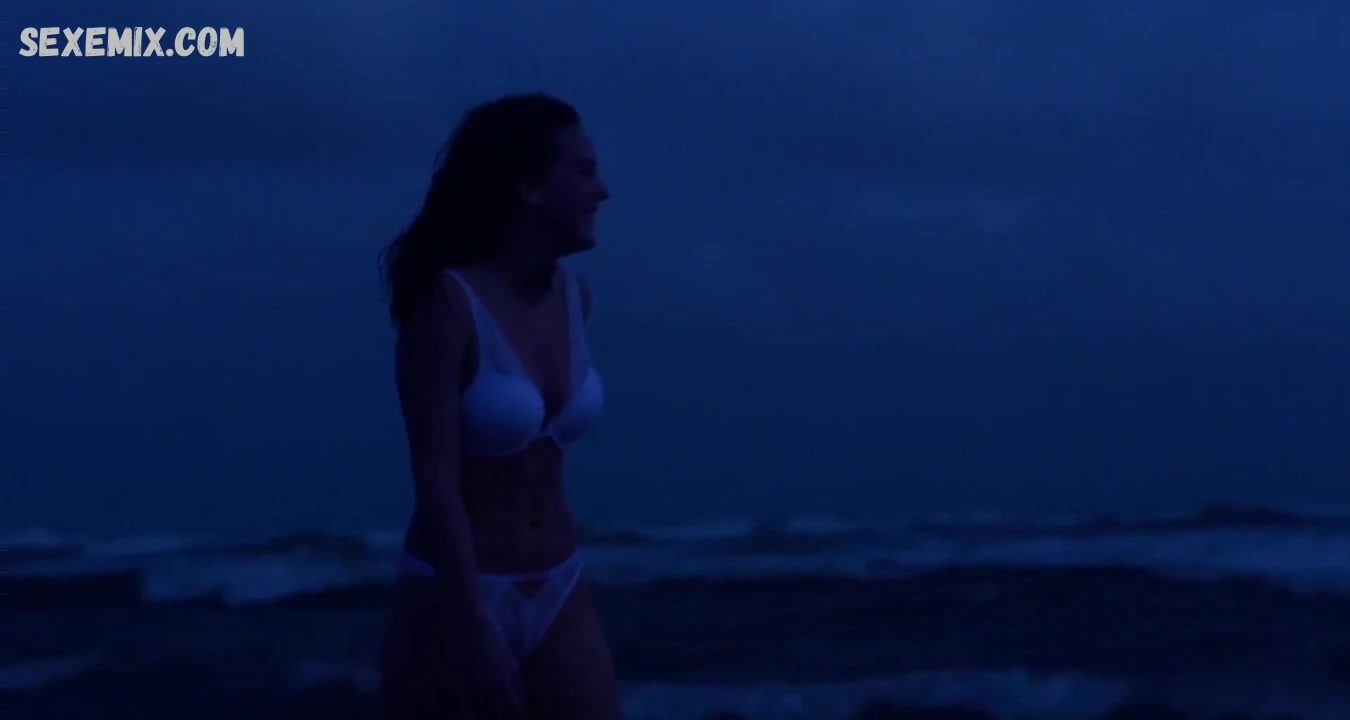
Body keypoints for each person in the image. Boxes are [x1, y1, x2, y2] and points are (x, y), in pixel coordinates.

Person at [377, 93, 619, 719]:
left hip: (560, 581)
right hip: (456, 593)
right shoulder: (447, 305)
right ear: (528, 188)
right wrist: (472, 626)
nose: (602, 192)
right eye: (583, 172)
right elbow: (435, 483)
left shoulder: (576, 297)